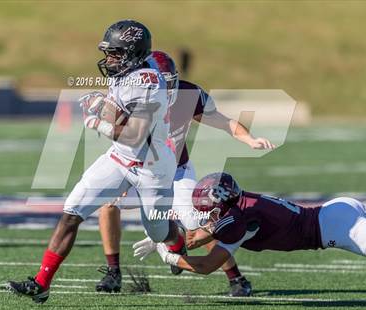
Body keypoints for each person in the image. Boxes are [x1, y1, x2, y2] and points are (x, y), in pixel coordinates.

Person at [7, 20, 184, 304]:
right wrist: (104, 105)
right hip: (119, 158)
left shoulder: (149, 83)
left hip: (152, 167)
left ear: (133, 54)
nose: (109, 59)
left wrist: (96, 121)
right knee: (71, 212)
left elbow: (135, 135)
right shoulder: (121, 72)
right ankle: (41, 283)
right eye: (109, 52)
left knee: (158, 231)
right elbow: (119, 115)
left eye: (116, 53)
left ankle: (177, 241)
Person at [95, 51, 275, 296]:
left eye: (171, 82)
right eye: (162, 82)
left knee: (199, 219)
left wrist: (249, 139)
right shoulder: (129, 93)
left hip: (177, 170)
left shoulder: (188, 95)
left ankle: (235, 278)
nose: (167, 89)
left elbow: (223, 121)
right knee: (108, 203)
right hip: (135, 166)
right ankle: (113, 271)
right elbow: (114, 128)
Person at [134, 172, 366, 276]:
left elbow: (206, 264)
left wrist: (168, 254)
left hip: (339, 229)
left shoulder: (239, 221)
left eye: (209, 210)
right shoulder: (241, 204)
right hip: (338, 210)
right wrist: (165, 231)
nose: (207, 215)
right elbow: (204, 231)